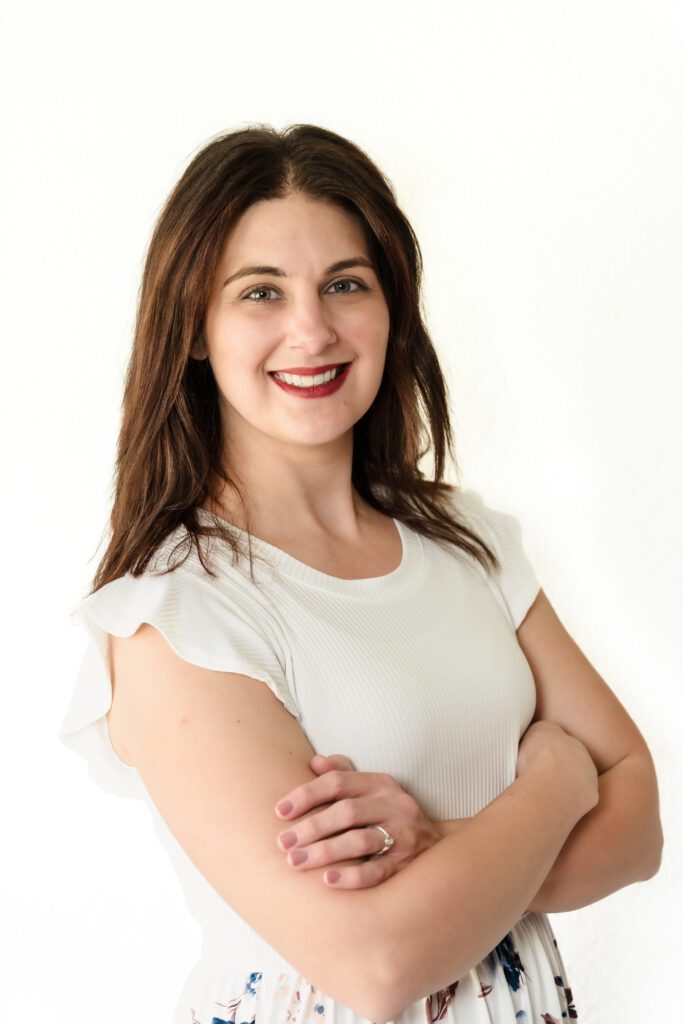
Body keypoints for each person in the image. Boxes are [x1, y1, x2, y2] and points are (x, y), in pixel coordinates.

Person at [58, 123, 663, 1024]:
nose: (311, 329)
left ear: (391, 309)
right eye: (260, 292)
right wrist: (560, 782)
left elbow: (642, 829)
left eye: (346, 284)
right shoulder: (177, 614)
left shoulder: (467, 542)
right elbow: (375, 964)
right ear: (192, 327)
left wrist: (444, 846)